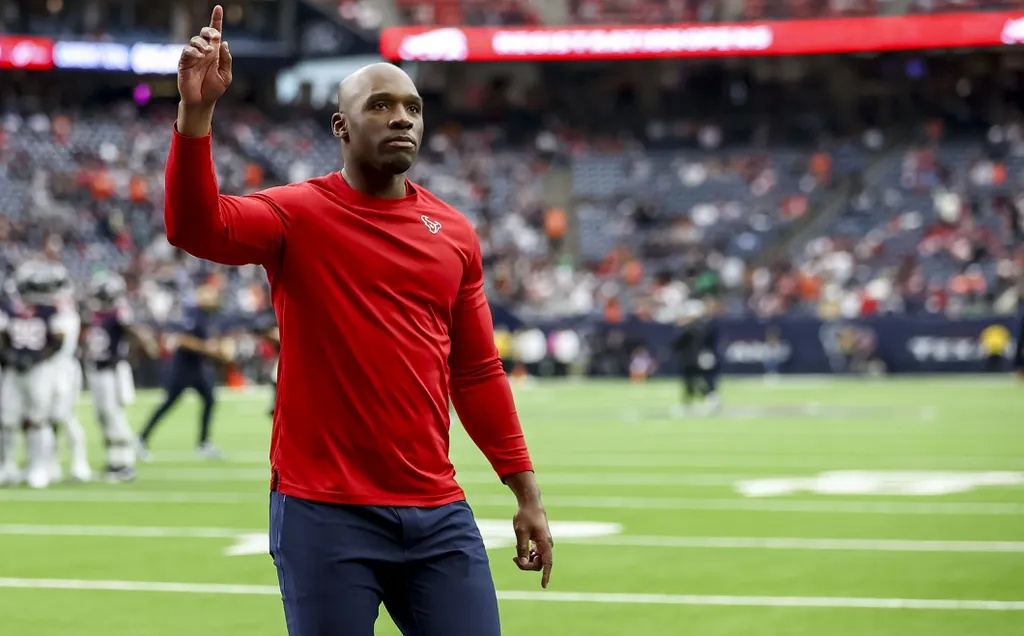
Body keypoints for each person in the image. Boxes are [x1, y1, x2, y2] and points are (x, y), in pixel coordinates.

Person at [166, 7, 552, 636]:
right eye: (380, 106)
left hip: (437, 509)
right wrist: (197, 114)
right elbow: (194, 225)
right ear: (342, 126)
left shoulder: (453, 232)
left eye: (413, 106)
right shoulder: (297, 214)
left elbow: (478, 373)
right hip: (323, 510)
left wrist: (525, 494)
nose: (401, 116)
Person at [137, 285, 228, 461]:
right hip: (183, 369)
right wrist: (207, 348)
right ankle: (141, 438)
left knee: (209, 400)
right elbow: (182, 339)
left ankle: (203, 443)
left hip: (199, 368)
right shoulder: (192, 313)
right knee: (168, 403)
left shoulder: (208, 316)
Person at [83, 272, 157, 481]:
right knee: (104, 417)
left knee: (114, 415)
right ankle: (114, 462)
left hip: (112, 370)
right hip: (98, 370)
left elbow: (135, 333)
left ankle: (125, 463)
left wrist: (140, 349)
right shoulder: (98, 313)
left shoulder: (119, 312)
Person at [0, 260, 67, 488]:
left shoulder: (51, 310)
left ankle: (38, 466)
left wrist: (39, 357)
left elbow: (59, 340)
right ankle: (7, 466)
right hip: (13, 370)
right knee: (7, 420)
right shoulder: (9, 308)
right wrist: (8, 356)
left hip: (39, 371)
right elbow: (2, 336)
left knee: (38, 419)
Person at [45, 262, 92, 483]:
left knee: (65, 417)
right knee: (47, 420)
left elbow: (60, 341)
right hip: (51, 368)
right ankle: (51, 462)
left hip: (62, 368)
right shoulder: (53, 309)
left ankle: (79, 462)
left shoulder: (63, 310)